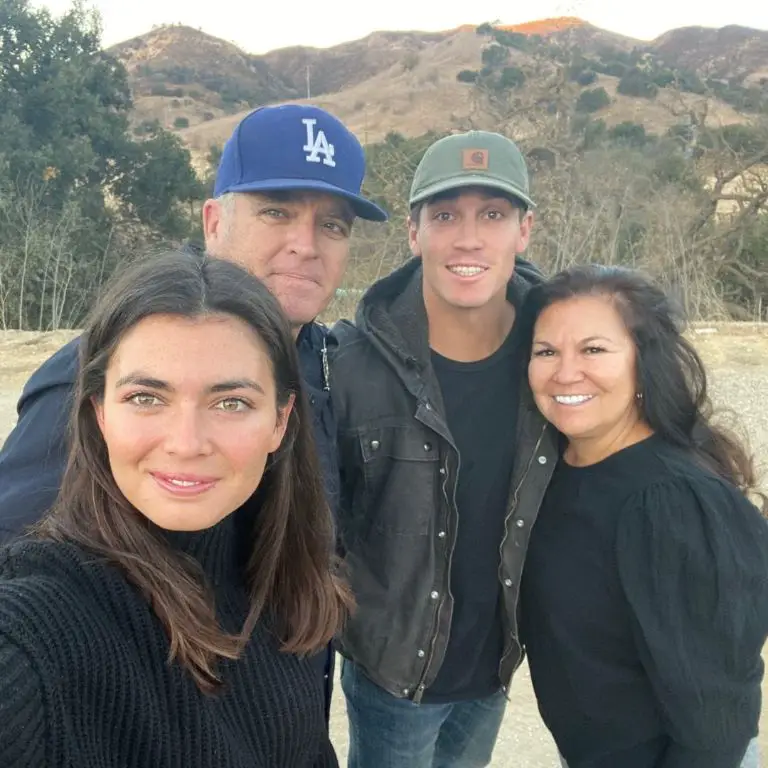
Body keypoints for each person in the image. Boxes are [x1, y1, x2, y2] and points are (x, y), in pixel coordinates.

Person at [0, 103, 387, 722]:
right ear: (213, 220)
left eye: (333, 225)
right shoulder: (110, 369)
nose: (305, 245)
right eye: (276, 212)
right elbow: (21, 570)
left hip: (285, 708)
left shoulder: (315, 356)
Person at [0, 250, 353, 767]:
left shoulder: (286, 587)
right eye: (146, 397)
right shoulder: (33, 633)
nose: (187, 443)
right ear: (100, 413)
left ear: (280, 421)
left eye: (231, 402)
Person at [330, 130, 558, 767]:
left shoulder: (559, 359)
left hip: (493, 668)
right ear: (414, 232)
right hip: (393, 677)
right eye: (445, 215)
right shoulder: (349, 364)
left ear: (524, 230)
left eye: (492, 214)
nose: (468, 238)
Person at [518, 264, 768, 768]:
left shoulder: (674, 503)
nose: (565, 372)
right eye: (546, 351)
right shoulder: (554, 469)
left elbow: (713, 724)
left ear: (642, 363)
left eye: (593, 349)